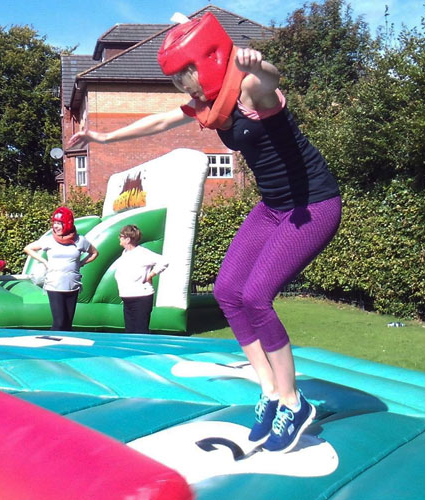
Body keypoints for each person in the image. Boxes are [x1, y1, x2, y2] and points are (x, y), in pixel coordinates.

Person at [69, 13, 341, 453]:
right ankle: (271, 391)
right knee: (228, 291)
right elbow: (157, 123)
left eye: (187, 77)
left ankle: (294, 400)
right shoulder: (207, 105)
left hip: (312, 206)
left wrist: (258, 64)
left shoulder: (251, 89)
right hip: (273, 208)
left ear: (210, 62)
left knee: (256, 296)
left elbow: (271, 79)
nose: (188, 89)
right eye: (180, 81)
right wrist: (102, 137)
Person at [24, 207, 99, 331]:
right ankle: (53, 347)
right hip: (54, 285)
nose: (56, 227)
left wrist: (81, 263)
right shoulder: (49, 240)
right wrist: (44, 261)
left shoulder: (80, 240)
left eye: (59, 223)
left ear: (68, 224)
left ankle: (66, 348)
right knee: (59, 322)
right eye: (55, 223)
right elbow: (28, 248)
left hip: (72, 284)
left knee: (68, 323)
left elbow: (94, 253)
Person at [114, 225, 169, 333]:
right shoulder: (125, 253)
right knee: (130, 330)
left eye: (121, 236)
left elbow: (164, 261)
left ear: (128, 239)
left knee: (140, 330)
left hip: (141, 297)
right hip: (127, 297)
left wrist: (151, 274)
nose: (119, 238)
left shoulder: (142, 253)